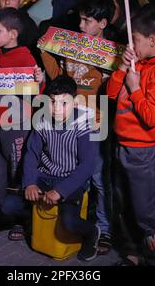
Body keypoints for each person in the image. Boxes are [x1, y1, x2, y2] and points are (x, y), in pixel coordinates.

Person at [40, 0, 116, 255]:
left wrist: (112, 72)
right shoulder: (70, 44)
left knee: (97, 179)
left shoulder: (111, 53)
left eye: (87, 21)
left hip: (96, 123)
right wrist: (46, 50)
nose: (81, 26)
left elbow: (113, 91)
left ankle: (104, 230)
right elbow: (59, 77)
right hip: (69, 122)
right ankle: (77, 224)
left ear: (103, 24)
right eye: (80, 20)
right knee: (74, 175)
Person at [107, 5, 155, 266]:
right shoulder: (138, 63)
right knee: (125, 207)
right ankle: (134, 256)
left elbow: (152, 118)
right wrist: (122, 69)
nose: (130, 45)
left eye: (134, 39)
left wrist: (135, 88)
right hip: (123, 145)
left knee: (149, 216)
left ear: (153, 41)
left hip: (145, 154)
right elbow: (112, 95)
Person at [0, 7, 44, 234]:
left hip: (14, 128)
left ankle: (20, 219)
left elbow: (36, 92)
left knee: (16, 174)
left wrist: (39, 81)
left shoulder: (25, 58)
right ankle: (2, 214)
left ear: (13, 34)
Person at [23, 75, 101, 261]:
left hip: (70, 180)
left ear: (74, 103)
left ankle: (92, 233)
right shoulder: (42, 120)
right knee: (10, 205)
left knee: (69, 222)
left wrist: (60, 191)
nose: (57, 108)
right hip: (46, 175)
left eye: (64, 103)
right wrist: (30, 184)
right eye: (52, 102)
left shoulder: (83, 124)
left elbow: (87, 165)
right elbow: (32, 154)